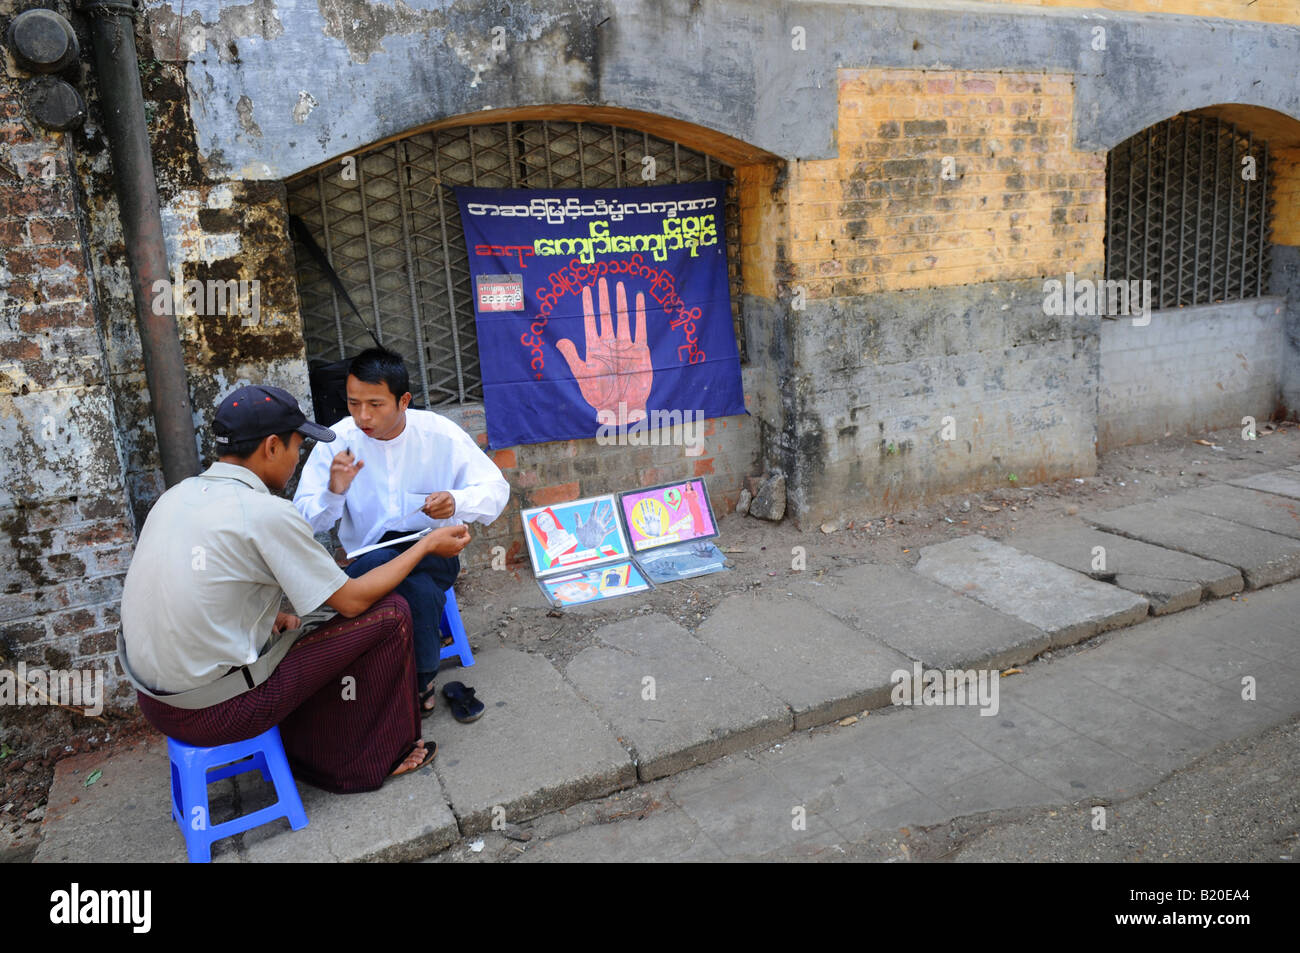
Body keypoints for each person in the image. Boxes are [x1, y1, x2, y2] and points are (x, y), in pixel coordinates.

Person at [117, 385, 471, 793]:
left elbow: (205, 594)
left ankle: (318, 740)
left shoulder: (175, 497)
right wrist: (426, 543)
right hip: (217, 711)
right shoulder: (264, 512)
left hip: (157, 703)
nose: (296, 460)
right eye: (296, 448)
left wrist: (264, 622)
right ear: (271, 446)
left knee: (304, 622)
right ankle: (367, 761)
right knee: (390, 615)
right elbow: (353, 601)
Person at [293, 348, 509, 712]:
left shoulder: (440, 435)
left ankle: (377, 681)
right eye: (354, 403)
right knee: (417, 591)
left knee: (414, 580)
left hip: (435, 553)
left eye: (375, 404)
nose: (363, 416)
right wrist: (334, 492)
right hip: (366, 559)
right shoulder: (338, 441)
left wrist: (456, 501)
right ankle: (421, 681)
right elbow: (304, 522)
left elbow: (496, 491)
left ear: (403, 400)